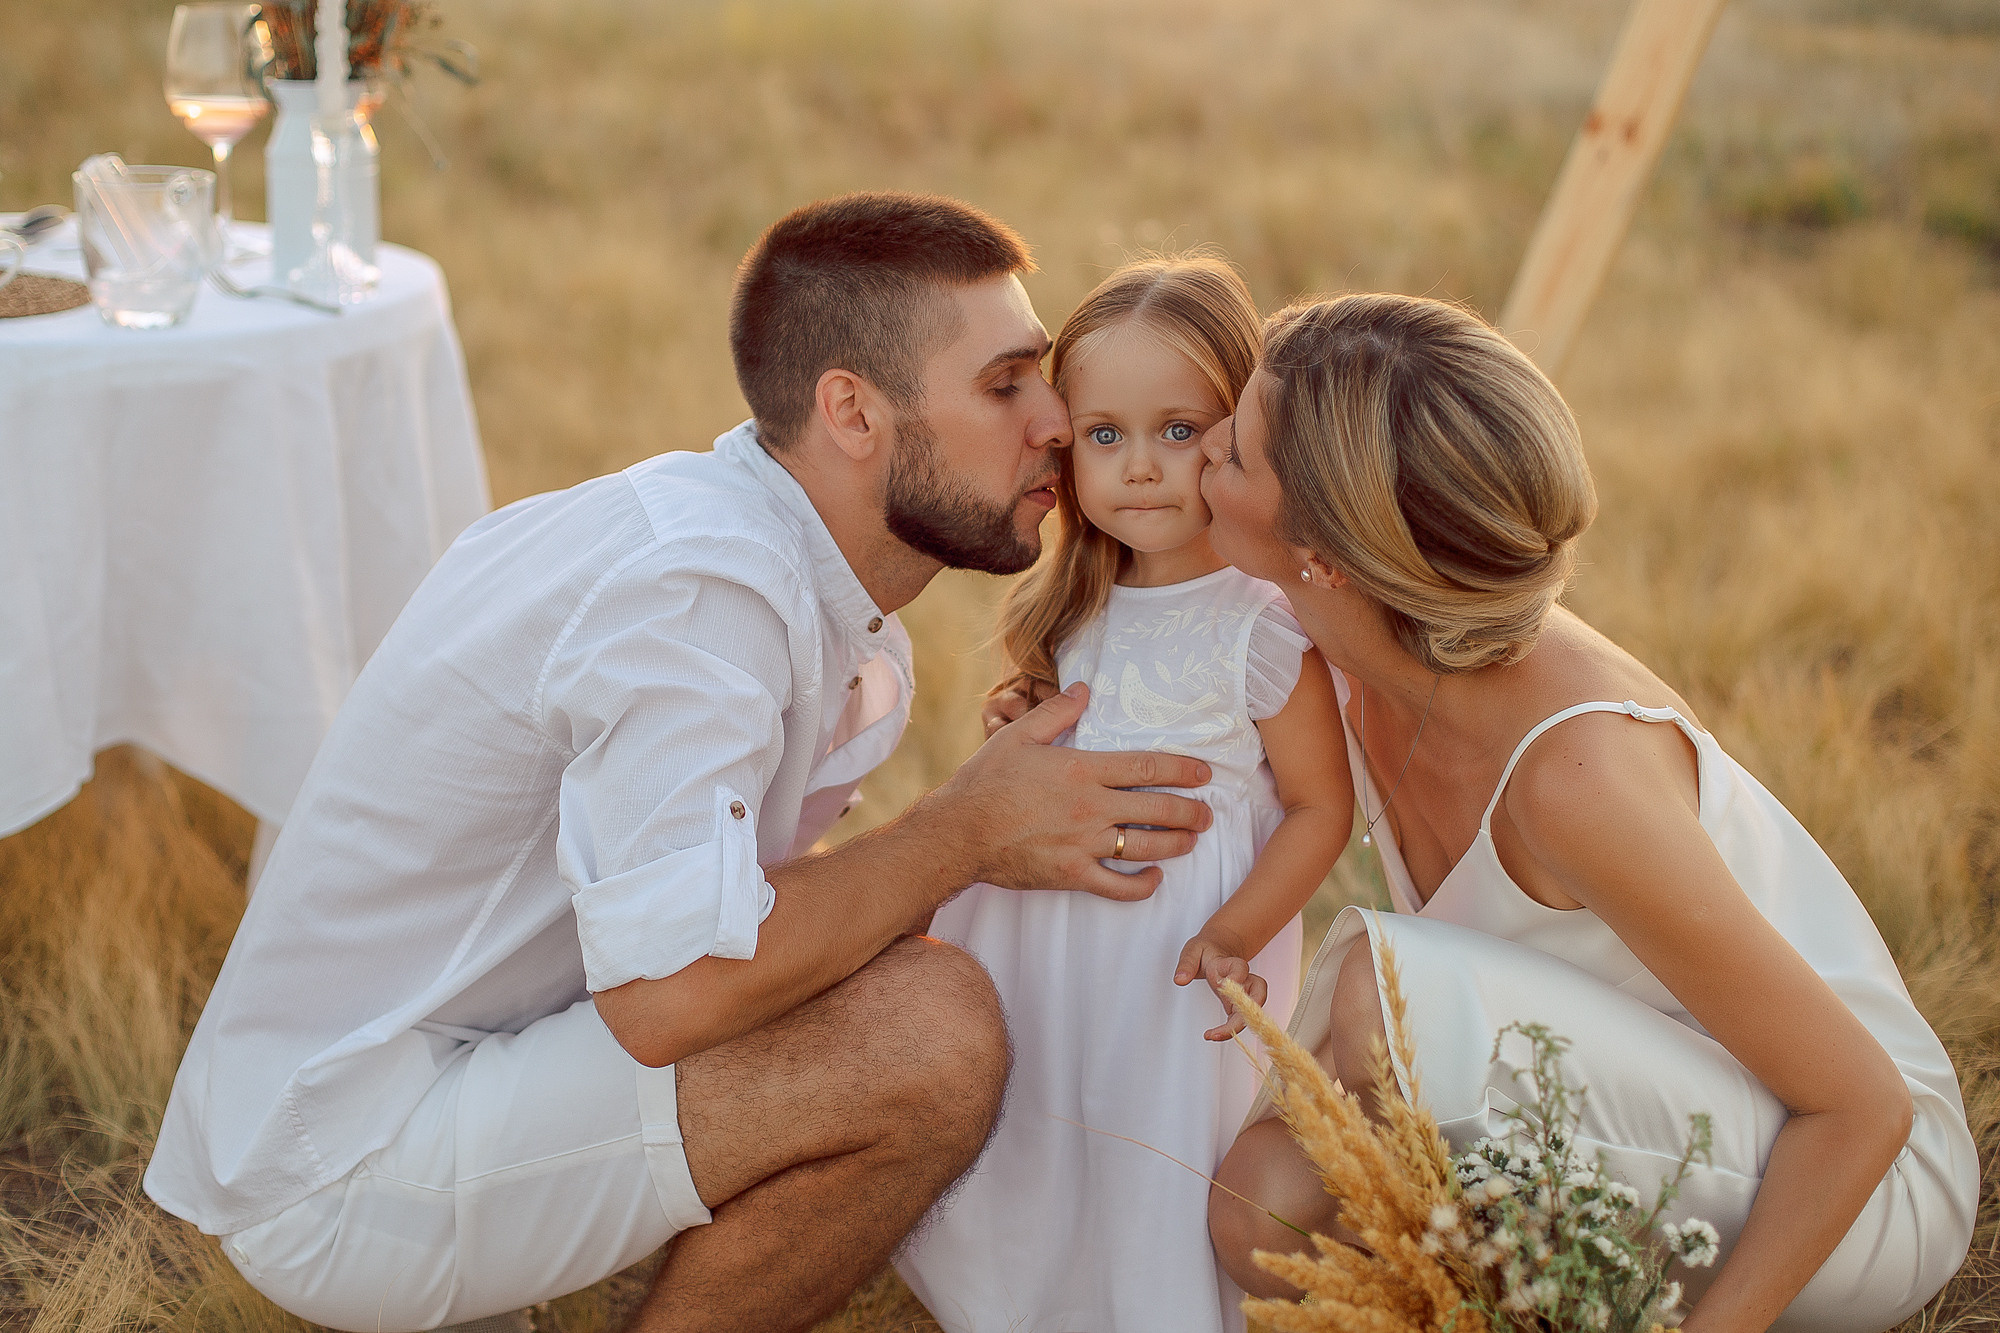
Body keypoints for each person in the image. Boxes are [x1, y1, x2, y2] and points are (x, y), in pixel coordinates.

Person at [142, 193, 1222, 1333]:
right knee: (928, 1030)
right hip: (345, 1165)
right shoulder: (698, 595)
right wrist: (959, 831)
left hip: (444, 1073)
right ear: (852, 411)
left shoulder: (743, 552)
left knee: (896, 961)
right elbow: (673, 996)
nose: (1056, 418)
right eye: (1004, 383)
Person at [1193, 293, 1979, 1331]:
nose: (1202, 445)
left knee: (1381, 1007)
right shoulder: (1342, 656)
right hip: (1622, 1117)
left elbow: (1860, 1109)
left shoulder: (1575, 776)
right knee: (1260, 1205)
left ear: (1326, 557)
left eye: (1236, 450)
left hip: (1853, 1186)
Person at [897, 258, 1352, 1333]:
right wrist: (1020, 726)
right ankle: (1017, 1295)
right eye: (1104, 435)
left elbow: (1322, 807)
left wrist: (1238, 927)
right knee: (1041, 1109)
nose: (1140, 469)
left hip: (1175, 945)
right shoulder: (1071, 603)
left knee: (1141, 1135)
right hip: (1035, 933)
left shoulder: (1260, 624)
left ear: (1237, 433)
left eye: (1178, 431)